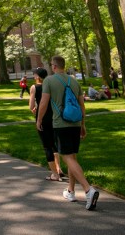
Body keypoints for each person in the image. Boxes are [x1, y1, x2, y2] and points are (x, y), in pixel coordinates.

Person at [37, 55, 99, 211]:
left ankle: (88, 189)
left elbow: (44, 102)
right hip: (76, 122)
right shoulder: (74, 81)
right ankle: (70, 191)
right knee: (72, 157)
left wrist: (39, 120)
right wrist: (83, 124)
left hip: (61, 123)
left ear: (54, 66)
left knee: (66, 157)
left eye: (52, 65)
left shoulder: (49, 81)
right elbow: (81, 105)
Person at [28, 67, 64, 182]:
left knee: (47, 145)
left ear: (37, 76)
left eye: (34, 75)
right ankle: (59, 168)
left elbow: (31, 106)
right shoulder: (51, 85)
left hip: (42, 117)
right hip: (54, 116)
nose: (34, 77)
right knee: (54, 144)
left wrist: (34, 109)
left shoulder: (34, 87)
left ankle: (55, 174)